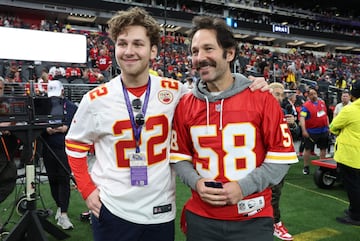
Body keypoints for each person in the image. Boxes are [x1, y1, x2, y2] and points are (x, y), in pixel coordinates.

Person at [64, 7, 269, 241]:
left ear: (153, 51)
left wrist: (249, 83)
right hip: (113, 210)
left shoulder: (176, 92)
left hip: (160, 211)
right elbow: (74, 148)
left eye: (138, 44)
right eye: (122, 44)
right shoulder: (95, 99)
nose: (129, 51)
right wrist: (87, 190)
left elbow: (216, 91)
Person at [169, 16, 298, 241]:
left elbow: (280, 159)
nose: (199, 58)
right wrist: (196, 182)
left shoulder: (262, 98)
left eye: (208, 49)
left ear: (229, 54)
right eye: (195, 51)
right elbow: (179, 157)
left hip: (253, 216)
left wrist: (244, 187)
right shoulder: (185, 105)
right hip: (202, 217)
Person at [41, 80, 77, 230]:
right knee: (53, 180)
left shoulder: (70, 107)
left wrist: (58, 129)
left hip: (64, 148)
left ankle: (64, 213)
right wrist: (47, 129)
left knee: (63, 179)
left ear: (62, 92)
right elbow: (40, 127)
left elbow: (70, 127)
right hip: (48, 148)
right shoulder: (43, 106)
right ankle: (59, 207)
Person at [269, 83, 299, 241]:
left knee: (275, 193)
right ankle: (274, 222)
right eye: (277, 94)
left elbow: (296, 135)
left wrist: (293, 125)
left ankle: (273, 222)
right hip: (265, 159)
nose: (280, 98)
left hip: (279, 159)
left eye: (282, 95)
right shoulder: (260, 108)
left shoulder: (282, 111)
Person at [330, 79, 360, 226]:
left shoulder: (350, 110)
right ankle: (355, 209)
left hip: (350, 156)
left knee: (352, 186)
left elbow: (333, 127)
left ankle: (355, 215)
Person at [299, 87, 329, 175]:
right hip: (311, 131)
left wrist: (328, 127)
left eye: (314, 94)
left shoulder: (322, 103)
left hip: (323, 130)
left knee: (323, 148)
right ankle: (306, 167)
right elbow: (302, 118)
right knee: (307, 149)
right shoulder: (305, 106)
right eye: (311, 94)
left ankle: (322, 166)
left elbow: (325, 116)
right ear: (308, 96)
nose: (313, 96)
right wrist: (304, 130)